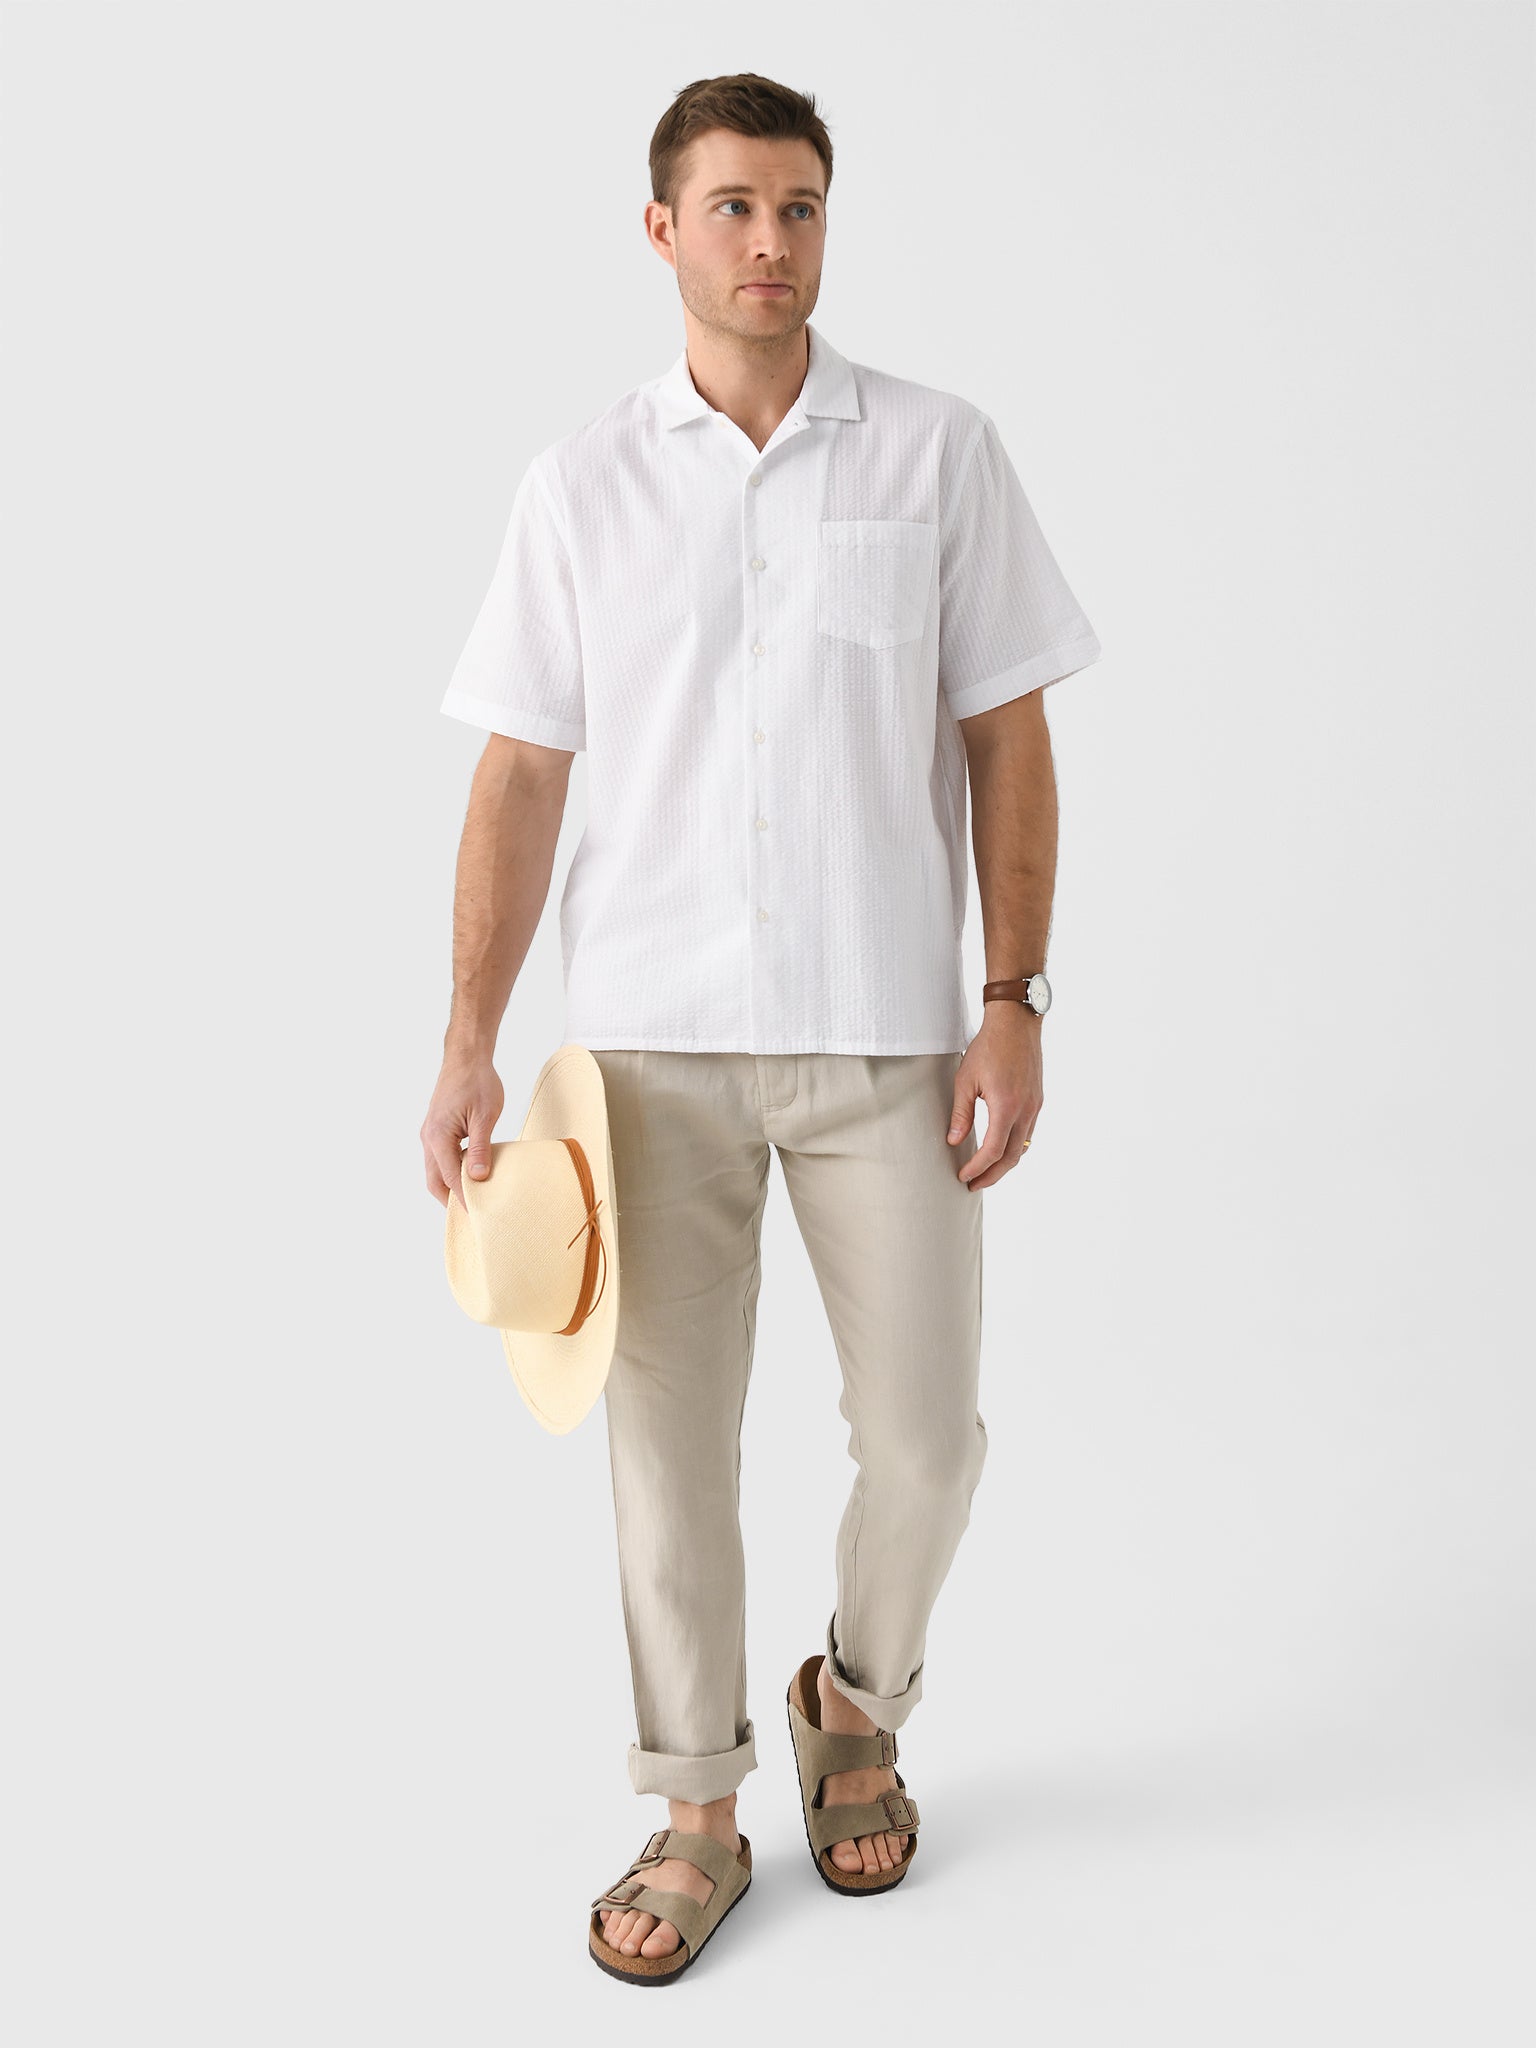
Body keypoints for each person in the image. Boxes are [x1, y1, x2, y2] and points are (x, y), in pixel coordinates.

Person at [421, 71, 1101, 1972]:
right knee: (666, 1457)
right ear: (662, 230)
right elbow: (520, 776)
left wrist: (1013, 1000)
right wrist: (469, 1034)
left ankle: (854, 1701)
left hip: (890, 1036)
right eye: (731, 207)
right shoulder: (579, 486)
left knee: (929, 1437)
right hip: (647, 1052)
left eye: (799, 206)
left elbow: (1009, 738)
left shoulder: (939, 453)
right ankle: (697, 1810)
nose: (770, 242)